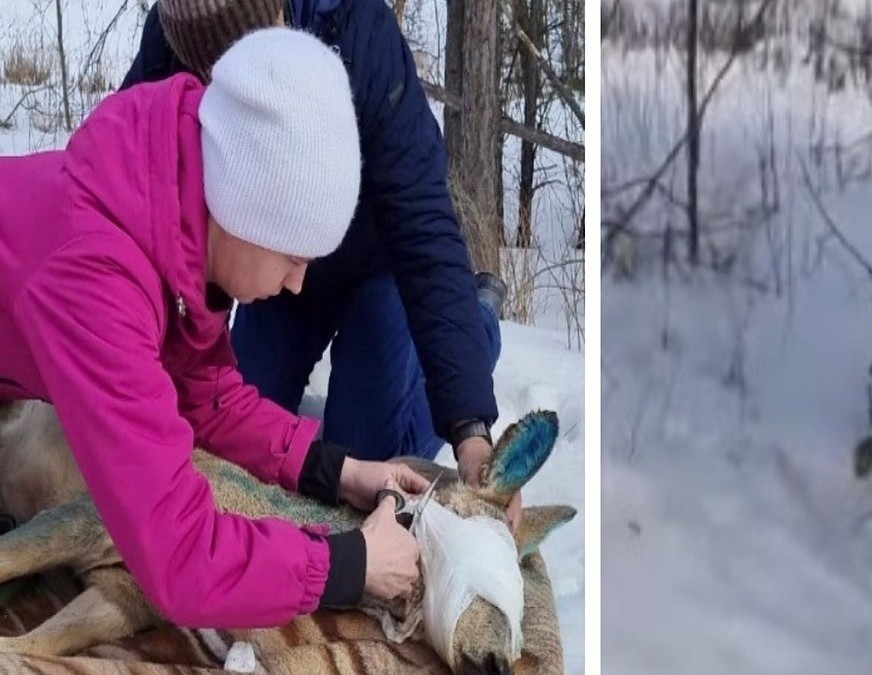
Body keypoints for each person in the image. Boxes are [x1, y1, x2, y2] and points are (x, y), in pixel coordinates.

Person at [0, 27, 427, 629]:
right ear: (243, 208)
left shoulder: (170, 220)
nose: (298, 284)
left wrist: (341, 471)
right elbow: (180, 558)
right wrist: (349, 565)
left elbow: (206, 395)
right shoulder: (99, 276)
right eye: (293, 257)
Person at [120, 0, 523, 527]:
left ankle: (481, 325)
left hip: (377, 263)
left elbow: (422, 222)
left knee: (362, 457)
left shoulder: (362, 32)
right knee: (229, 446)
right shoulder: (186, 21)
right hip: (270, 267)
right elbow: (128, 165)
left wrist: (470, 427)